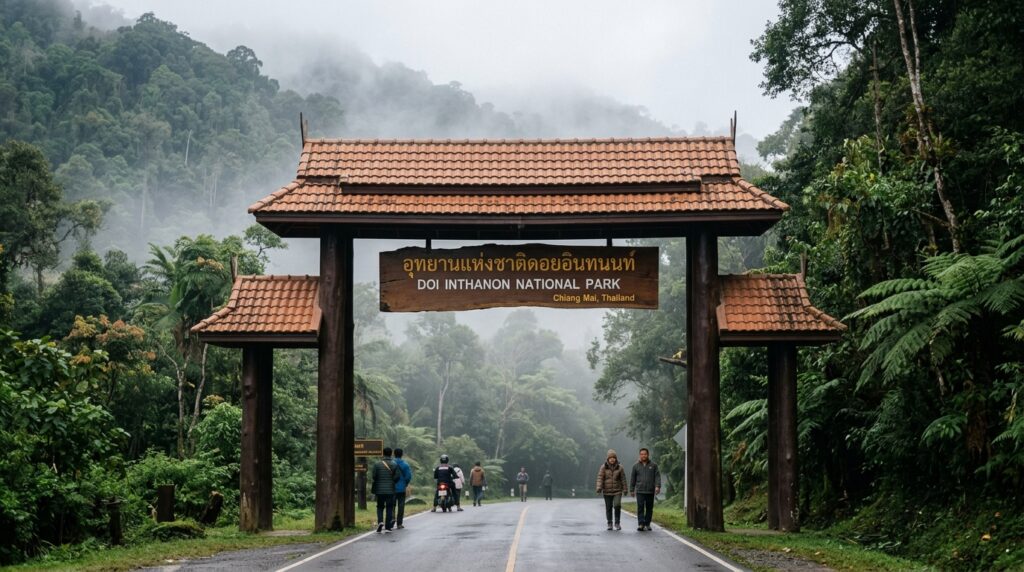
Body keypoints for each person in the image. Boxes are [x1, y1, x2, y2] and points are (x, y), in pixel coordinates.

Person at [630, 447, 662, 532]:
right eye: (641, 454)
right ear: (639, 455)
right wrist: (632, 490)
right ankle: (641, 524)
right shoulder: (635, 466)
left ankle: (647, 524)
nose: (643, 456)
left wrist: (657, 486)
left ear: (648, 455)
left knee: (649, 508)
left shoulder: (653, 465)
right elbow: (632, 479)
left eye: (645, 454)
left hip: (650, 491)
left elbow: (657, 476)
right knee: (640, 507)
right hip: (640, 490)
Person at [596, 449, 627, 531]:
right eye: (610, 457)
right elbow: (600, 478)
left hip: (617, 491)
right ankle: (609, 523)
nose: (612, 459)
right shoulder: (603, 467)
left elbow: (623, 479)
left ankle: (617, 523)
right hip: (607, 491)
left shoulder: (620, 467)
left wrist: (625, 489)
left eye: (614, 457)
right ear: (608, 459)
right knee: (608, 507)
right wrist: (599, 488)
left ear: (616, 458)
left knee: (617, 505)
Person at [371, 447, 399, 533]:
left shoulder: (377, 464)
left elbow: (374, 476)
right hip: (390, 490)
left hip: (379, 490)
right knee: (389, 507)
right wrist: (392, 481)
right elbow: (397, 477)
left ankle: (380, 522)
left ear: (383, 453)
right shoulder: (394, 464)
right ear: (391, 454)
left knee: (380, 507)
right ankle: (387, 527)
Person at [393, 448, 413, 529]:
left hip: (392, 488)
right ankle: (399, 524)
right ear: (402, 454)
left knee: (392, 505)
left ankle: (391, 519)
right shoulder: (405, 464)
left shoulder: (390, 463)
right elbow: (408, 476)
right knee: (401, 506)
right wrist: (405, 484)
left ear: (394, 454)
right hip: (401, 488)